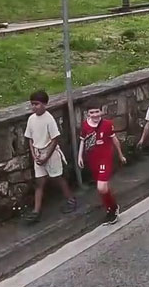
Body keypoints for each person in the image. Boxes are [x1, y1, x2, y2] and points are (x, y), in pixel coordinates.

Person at [23, 90, 77, 222]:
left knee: (57, 178)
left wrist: (46, 156)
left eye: (37, 104)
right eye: (33, 104)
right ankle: (36, 211)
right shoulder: (31, 119)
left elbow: (55, 138)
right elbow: (30, 139)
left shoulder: (49, 119)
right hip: (38, 153)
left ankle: (71, 199)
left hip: (50, 154)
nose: (34, 107)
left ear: (44, 104)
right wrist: (34, 154)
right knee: (39, 182)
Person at [78, 100, 127, 224]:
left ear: (101, 111)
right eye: (92, 112)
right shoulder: (85, 126)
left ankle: (114, 207)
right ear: (87, 114)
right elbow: (83, 141)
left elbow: (114, 140)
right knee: (102, 188)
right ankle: (110, 209)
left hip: (105, 158)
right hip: (92, 159)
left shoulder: (107, 124)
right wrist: (80, 156)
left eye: (97, 112)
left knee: (101, 186)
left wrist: (120, 155)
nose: (95, 115)